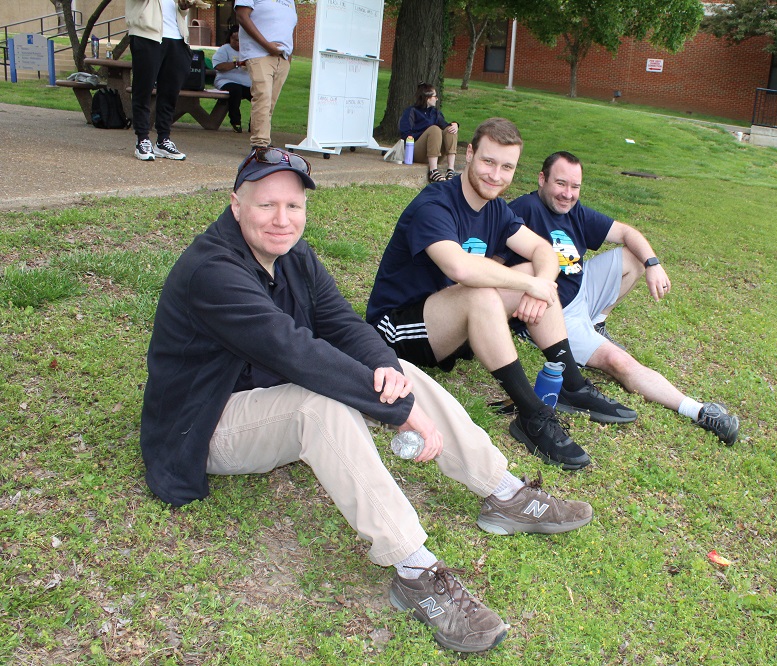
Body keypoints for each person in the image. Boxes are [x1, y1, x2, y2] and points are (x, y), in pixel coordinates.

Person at [140, 147, 594, 654]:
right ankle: (415, 570)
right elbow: (296, 353)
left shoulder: (295, 256)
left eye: (293, 206)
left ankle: (504, 491)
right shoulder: (213, 271)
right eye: (266, 205)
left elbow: (341, 323)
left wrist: (387, 372)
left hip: (268, 393)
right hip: (206, 423)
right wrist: (399, 414)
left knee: (399, 370)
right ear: (235, 205)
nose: (282, 219)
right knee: (321, 406)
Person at [366, 118, 636, 472]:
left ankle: (569, 382)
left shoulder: (495, 209)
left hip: (453, 324)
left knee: (533, 274)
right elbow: (460, 268)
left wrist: (540, 285)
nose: (496, 175)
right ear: (470, 153)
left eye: (507, 167)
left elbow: (543, 251)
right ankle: (532, 414)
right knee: (489, 291)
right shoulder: (435, 204)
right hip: (399, 330)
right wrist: (529, 285)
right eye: (488, 162)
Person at [507, 152, 740, 446]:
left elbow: (628, 232)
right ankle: (699, 411)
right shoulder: (523, 209)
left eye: (575, 187)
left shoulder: (573, 211)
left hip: (581, 289)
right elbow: (496, 265)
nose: (568, 194)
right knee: (619, 361)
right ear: (542, 179)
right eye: (560, 184)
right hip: (556, 311)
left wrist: (653, 264)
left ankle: (598, 321)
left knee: (634, 256)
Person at [126, 0, 192, 162]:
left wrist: (183, 7)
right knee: (143, 89)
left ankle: (163, 139)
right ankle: (142, 138)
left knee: (170, 92)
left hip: (176, 36)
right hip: (147, 34)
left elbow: (173, 8)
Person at [234, 0, 297, 148]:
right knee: (263, 97)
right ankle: (259, 146)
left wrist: (289, 56)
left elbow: (289, 26)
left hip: (282, 56)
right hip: (258, 52)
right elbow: (242, 16)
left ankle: (264, 141)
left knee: (270, 104)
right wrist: (267, 46)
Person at [399, 83, 460, 183]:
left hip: (435, 154)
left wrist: (455, 125)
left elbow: (445, 126)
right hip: (415, 151)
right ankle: (433, 171)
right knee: (434, 129)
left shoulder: (435, 113)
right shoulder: (412, 111)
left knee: (450, 130)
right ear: (427, 98)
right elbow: (405, 134)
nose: (437, 99)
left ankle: (450, 170)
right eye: (435, 96)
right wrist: (426, 134)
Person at [211, 25, 253, 134]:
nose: (238, 43)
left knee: (259, 95)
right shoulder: (224, 49)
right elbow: (218, 66)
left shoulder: (250, 51)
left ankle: (254, 125)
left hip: (247, 83)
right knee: (235, 90)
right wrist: (237, 64)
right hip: (226, 81)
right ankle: (235, 121)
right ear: (230, 38)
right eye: (235, 40)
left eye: (241, 40)